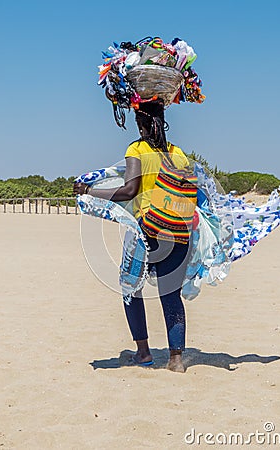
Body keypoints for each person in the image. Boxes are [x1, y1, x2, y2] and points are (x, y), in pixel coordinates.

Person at [74, 99, 192, 372]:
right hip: (177, 231)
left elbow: (130, 190)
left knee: (131, 290)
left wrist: (89, 192)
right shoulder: (178, 154)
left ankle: (144, 353)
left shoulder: (136, 149)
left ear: (141, 125)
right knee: (171, 295)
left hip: (146, 231)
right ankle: (176, 360)